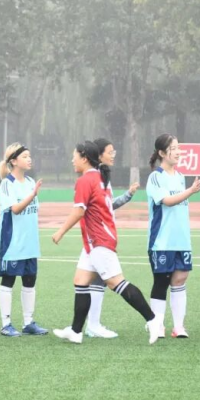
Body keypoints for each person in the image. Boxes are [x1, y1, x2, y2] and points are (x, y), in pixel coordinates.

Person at [51, 141, 162, 345]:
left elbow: (79, 211)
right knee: (81, 281)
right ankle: (76, 331)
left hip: (99, 240)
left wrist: (60, 231)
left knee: (116, 283)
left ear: (84, 158)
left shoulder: (86, 180)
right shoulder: (99, 177)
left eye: (74, 156)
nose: (72, 160)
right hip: (94, 241)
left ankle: (153, 320)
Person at [81, 137, 139, 338]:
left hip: (102, 237)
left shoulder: (103, 177)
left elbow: (107, 206)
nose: (113, 155)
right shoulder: (93, 178)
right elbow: (84, 208)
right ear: (99, 155)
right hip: (97, 238)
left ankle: (88, 326)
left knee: (93, 281)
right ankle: (152, 319)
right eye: (110, 152)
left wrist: (127, 195)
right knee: (109, 281)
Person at [146, 134, 200, 338]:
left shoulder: (180, 176)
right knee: (161, 281)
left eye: (179, 148)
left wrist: (188, 190)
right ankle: (157, 325)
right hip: (162, 241)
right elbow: (167, 201)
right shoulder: (155, 177)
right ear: (162, 153)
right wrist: (190, 191)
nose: (178, 152)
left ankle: (178, 327)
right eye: (173, 148)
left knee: (180, 279)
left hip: (181, 239)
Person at [0, 143, 47, 337]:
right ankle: (6, 324)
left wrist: (33, 193)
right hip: (12, 243)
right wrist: (32, 194)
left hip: (30, 243)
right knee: (8, 280)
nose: (29, 159)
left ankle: (28, 322)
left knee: (30, 280)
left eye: (29, 155)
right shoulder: (7, 184)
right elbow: (15, 209)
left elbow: (34, 210)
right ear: (14, 161)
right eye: (25, 156)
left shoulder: (31, 181)